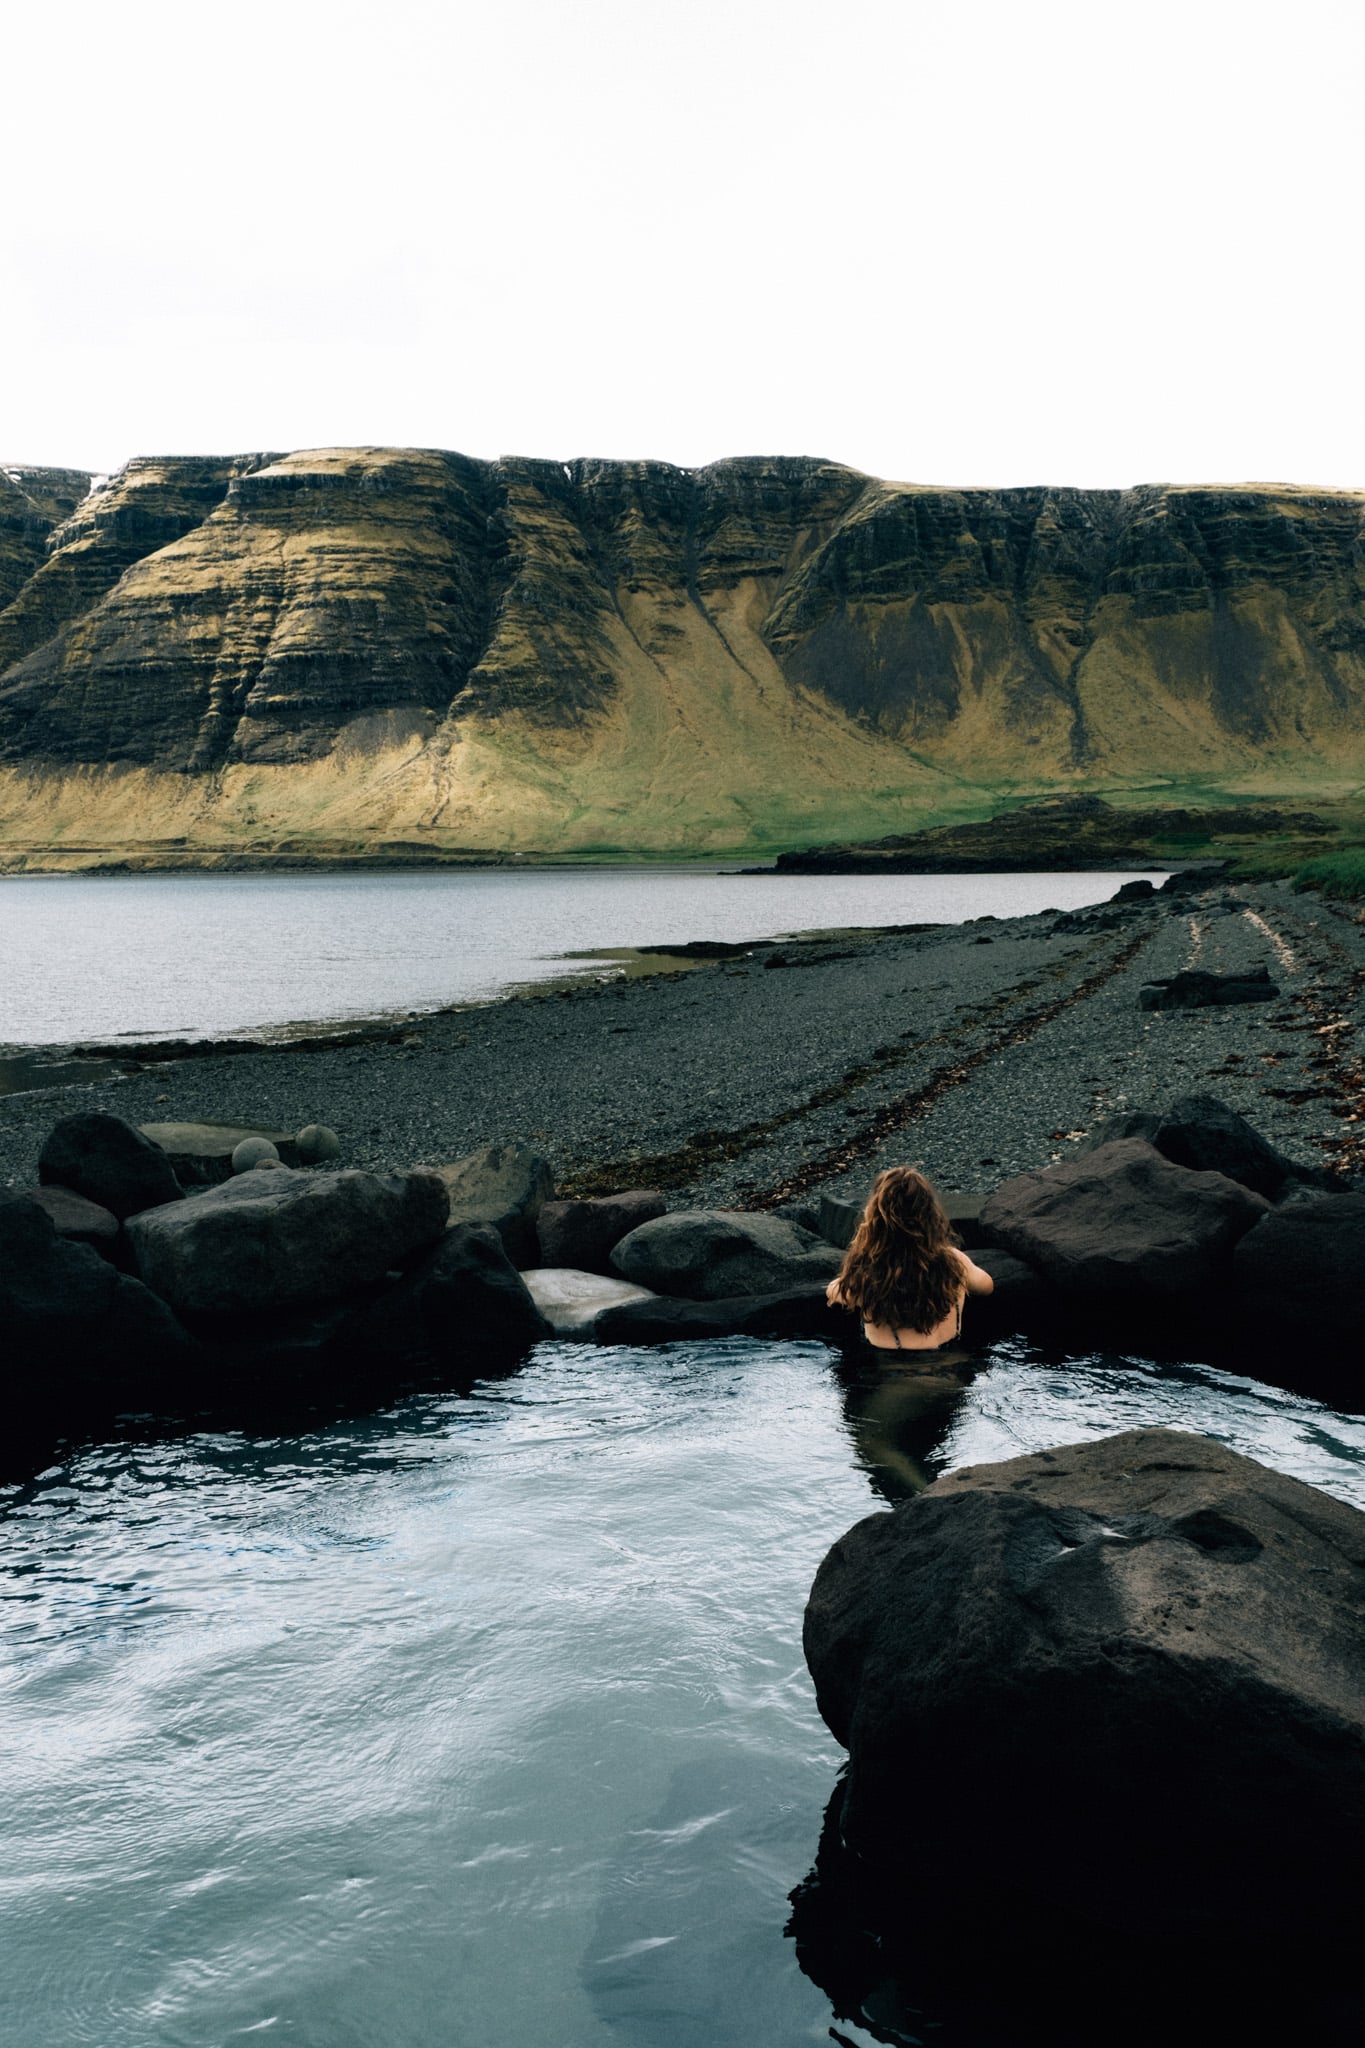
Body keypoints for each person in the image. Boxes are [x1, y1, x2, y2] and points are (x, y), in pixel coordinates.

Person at [826, 1166, 994, 1354]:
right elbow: (987, 1286)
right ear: (931, 1214)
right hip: (953, 1362)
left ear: (875, 1219)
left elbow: (834, 1293)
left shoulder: (866, 1272)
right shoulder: (955, 1262)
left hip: (892, 1368)